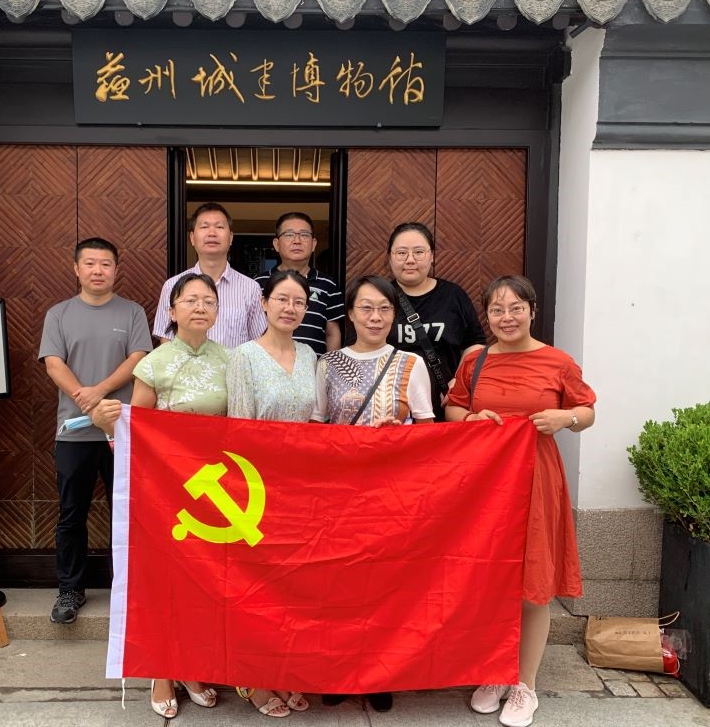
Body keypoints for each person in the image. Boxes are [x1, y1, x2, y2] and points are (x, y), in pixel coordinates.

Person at [445, 275, 595, 727]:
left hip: (536, 478)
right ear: (487, 316)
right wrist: (471, 418)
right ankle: (495, 671)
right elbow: (453, 406)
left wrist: (565, 418)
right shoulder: (475, 361)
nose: (506, 318)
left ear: (532, 310)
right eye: (497, 310)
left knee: (532, 583)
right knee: (489, 580)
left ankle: (524, 683)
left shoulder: (557, 361)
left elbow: (587, 410)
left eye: (515, 308)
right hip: (485, 484)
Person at [93, 273, 226, 719]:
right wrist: (111, 424)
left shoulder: (230, 360)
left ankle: (191, 666)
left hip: (216, 489)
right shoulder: (153, 364)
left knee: (203, 582)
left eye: (209, 301)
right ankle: (162, 671)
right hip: (169, 489)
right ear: (171, 310)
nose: (200, 307)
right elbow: (139, 428)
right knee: (167, 579)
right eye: (190, 300)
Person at [311, 275, 435, 713]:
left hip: (392, 494)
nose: (375, 317)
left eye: (384, 308)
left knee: (385, 586)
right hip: (339, 493)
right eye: (366, 308)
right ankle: (339, 671)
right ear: (350, 314)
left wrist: (399, 436)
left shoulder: (410, 363)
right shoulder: (327, 364)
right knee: (338, 585)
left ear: (393, 314)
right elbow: (317, 427)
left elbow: (428, 431)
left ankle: (379, 675)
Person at [38, 237, 152, 625]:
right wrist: (83, 397)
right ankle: (70, 590)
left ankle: (131, 588)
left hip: (121, 432)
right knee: (72, 514)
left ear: (116, 270)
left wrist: (99, 391)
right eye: (90, 263)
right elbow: (53, 364)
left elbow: (138, 358)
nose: (98, 270)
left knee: (128, 514)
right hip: (73, 433)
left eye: (105, 264)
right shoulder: (59, 314)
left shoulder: (132, 312)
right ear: (76, 269)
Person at [227, 269, 317, 718]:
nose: (289, 308)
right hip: (258, 486)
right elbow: (239, 426)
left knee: (292, 587)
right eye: (281, 299)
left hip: (302, 486)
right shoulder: (244, 356)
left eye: (298, 301)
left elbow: (317, 423)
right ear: (264, 303)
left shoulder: (311, 355)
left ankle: (286, 670)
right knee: (257, 586)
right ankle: (255, 678)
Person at [386, 222, 485, 421]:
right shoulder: (380, 297)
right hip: (392, 408)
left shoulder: (453, 296)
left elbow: (475, 343)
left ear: (431, 256)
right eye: (401, 253)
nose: (410, 260)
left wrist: (459, 383)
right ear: (390, 257)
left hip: (445, 404)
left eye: (419, 252)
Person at [153, 202, 267, 347]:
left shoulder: (250, 288)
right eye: (204, 227)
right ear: (192, 238)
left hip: (234, 363)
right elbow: (166, 340)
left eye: (219, 227)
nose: (212, 233)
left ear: (231, 238)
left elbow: (259, 343)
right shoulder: (172, 286)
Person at [254, 212, 344, 355]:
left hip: (314, 366)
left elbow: (332, 333)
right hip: (267, 364)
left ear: (314, 244)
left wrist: (330, 366)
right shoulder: (258, 284)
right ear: (276, 244)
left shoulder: (328, 285)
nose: (297, 241)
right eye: (289, 235)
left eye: (304, 235)